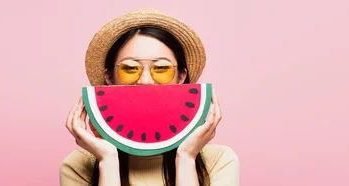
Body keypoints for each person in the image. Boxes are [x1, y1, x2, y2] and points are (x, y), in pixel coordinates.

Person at [60, 9, 240, 186]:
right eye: (129, 68)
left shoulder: (219, 162)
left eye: (162, 68)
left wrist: (186, 157)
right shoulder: (78, 166)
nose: (145, 81)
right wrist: (108, 160)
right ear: (109, 77)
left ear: (181, 77)